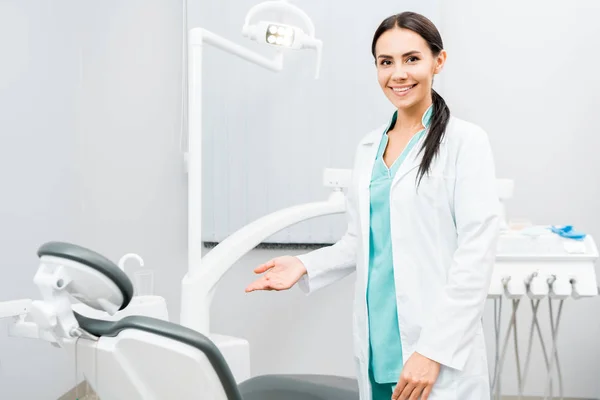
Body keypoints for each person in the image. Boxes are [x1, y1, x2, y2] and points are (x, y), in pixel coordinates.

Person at [245, 11, 500, 400]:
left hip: (435, 349)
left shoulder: (465, 143)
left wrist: (432, 351)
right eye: (386, 62)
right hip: (379, 344)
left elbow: (475, 257)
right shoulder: (368, 148)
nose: (398, 73)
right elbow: (361, 240)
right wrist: (304, 264)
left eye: (411, 59)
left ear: (438, 61)